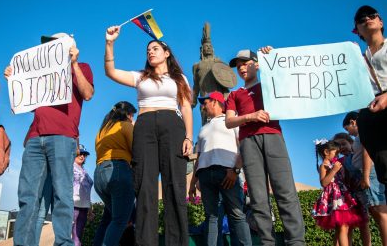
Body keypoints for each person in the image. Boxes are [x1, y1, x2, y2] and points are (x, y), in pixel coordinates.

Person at [105, 26, 193, 246]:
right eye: (148, 50)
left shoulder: (180, 78)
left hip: (173, 127)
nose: (150, 52)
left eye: (155, 48)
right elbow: (111, 72)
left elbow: (186, 107)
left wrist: (189, 137)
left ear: (167, 53)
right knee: (145, 187)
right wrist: (110, 43)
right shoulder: (140, 77)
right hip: (144, 128)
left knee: (175, 186)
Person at [4, 32, 94, 246]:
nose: (49, 48)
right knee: (29, 198)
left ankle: (63, 243)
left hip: (63, 136)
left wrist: (73, 64)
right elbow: (26, 102)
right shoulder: (41, 72)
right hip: (35, 137)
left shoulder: (83, 67)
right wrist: (15, 81)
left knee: (62, 195)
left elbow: (87, 93)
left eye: (54, 44)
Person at [225, 49, 305, 245]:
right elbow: (229, 121)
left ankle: (296, 242)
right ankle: (267, 242)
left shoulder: (270, 85)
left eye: (246, 62)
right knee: (258, 198)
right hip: (248, 142)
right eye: (238, 65)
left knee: (285, 191)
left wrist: (273, 56)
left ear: (258, 64)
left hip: (273, 137)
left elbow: (286, 77)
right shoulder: (235, 94)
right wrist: (250, 117)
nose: (241, 67)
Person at [188, 91, 251, 246]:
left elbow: (243, 147)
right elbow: (200, 157)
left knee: (236, 214)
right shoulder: (203, 129)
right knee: (211, 217)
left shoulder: (232, 121)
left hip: (227, 173)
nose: (203, 107)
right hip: (205, 175)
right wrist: (192, 183)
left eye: (206, 102)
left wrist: (235, 171)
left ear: (215, 102)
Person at [93, 101, 137, 246]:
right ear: (129, 114)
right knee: (120, 221)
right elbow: (136, 150)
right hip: (118, 171)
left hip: (99, 175)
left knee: (109, 220)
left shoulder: (102, 131)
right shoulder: (125, 126)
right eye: (132, 115)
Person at [352, 5, 387, 186]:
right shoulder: (355, 58)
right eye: (361, 19)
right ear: (356, 30)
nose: (367, 19)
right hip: (371, 117)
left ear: (380, 22)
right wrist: (271, 56)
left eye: (372, 15)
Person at [341, 112, 387, 245]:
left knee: (380, 211)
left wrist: (365, 176)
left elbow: (367, 153)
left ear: (353, 122)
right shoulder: (361, 135)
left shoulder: (364, 133)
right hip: (366, 174)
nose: (348, 133)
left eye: (347, 129)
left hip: (369, 174)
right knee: (376, 211)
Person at [312, 140, 365, 246]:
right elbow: (324, 183)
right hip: (335, 199)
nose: (337, 155)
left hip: (343, 197)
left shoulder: (335, 164)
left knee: (346, 227)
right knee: (343, 227)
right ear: (326, 152)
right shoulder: (324, 166)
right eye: (335, 153)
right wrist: (334, 171)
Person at [192, 23, 236, 125]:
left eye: (210, 46)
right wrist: (192, 100)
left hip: (219, 98)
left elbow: (225, 80)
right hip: (205, 99)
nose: (208, 48)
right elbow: (196, 86)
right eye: (206, 46)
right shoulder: (197, 66)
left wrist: (226, 96)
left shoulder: (218, 63)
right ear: (201, 50)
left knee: (221, 124)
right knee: (206, 124)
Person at [73, 144, 94, 246]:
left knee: (78, 237)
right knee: (67, 236)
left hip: (84, 208)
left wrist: (90, 209)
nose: (82, 156)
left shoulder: (85, 171)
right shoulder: (69, 167)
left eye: (84, 154)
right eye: (80, 153)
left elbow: (87, 192)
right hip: (73, 206)